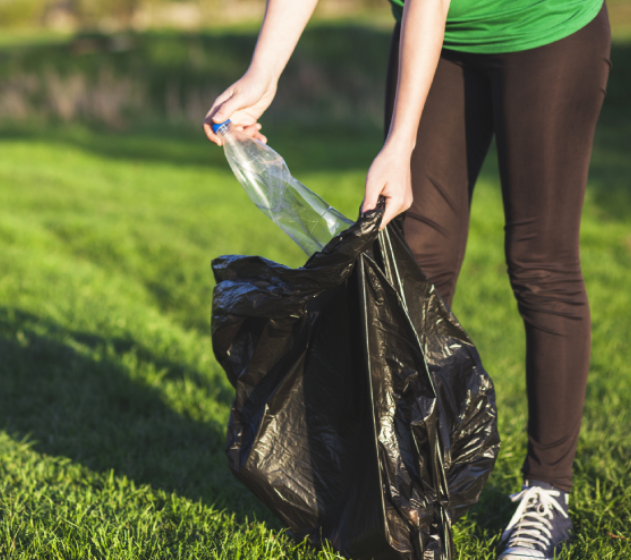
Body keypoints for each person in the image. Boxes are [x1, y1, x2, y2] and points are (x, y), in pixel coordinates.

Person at [203, 0, 611, 558]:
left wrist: (400, 144)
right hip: (440, 44)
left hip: (542, 30)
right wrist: (263, 71)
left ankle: (547, 490)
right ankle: (405, 484)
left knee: (541, 264)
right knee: (416, 260)